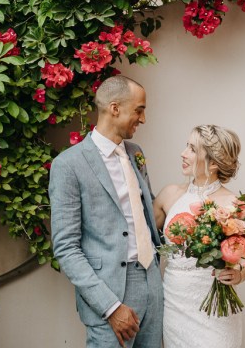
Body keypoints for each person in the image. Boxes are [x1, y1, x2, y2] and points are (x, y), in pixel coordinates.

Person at [50, 75, 163, 348]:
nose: (143, 119)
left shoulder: (136, 153)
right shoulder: (68, 165)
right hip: (111, 292)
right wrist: (111, 307)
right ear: (115, 108)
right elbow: (66, 248)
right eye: (139, 110)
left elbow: (147, 216)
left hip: (153, 283)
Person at [153, 124, 245, 348]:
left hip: (214, 306)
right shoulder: (169, 195)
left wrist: (238, 276)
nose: (183, 153)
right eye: (186, 146)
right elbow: (142, 237)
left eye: (193, 149)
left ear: (214, 163)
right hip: (175, 302)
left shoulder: (233, 204)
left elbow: (243, 262)